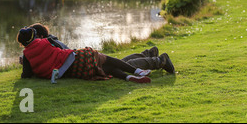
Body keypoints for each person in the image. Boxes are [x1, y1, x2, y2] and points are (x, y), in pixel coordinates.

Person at [25, 23, 175, 74]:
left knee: (118, 68)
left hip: (82, 60)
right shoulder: (51, 41)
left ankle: (159, 61)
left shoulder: (49, 44)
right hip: (82, 58)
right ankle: (147, 54)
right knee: (118, 63)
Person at [18, 27, 153, 83]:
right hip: (77, 57)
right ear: (35, 36)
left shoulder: (27, 55)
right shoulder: (47, 41)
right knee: (107, 59)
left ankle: (129, 77)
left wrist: (25, 64)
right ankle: (138, 71)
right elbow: (65, 49)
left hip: (73, 72)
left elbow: (26, 75)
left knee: (106, 69)